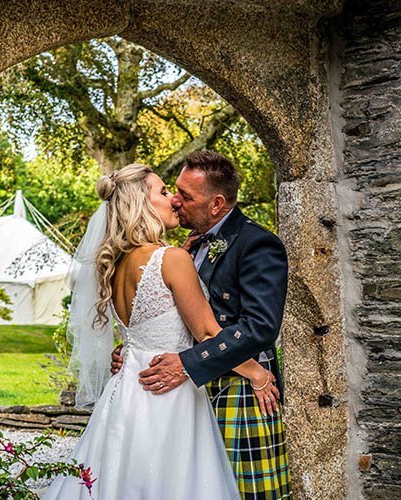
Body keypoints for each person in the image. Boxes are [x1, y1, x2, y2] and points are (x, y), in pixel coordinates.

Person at [41, 163, 279, 500]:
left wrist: (124, 353)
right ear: (142, 204)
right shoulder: (171, 259)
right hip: (168, 394)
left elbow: (139, 333)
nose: (174, 200)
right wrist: (257, 373)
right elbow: (208, 332)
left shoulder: (115, 263)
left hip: (126, 393)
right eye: (165, 192)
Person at [112, 150, 291, 499]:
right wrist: (132, 350)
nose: (176, 202)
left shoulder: (258, 244)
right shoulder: (179, 249)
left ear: (217, 204)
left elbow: (260, 327)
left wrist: (189, 363)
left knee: (241, 491)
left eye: (186, 196)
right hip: (181, 389)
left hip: (236, 386)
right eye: (172, 191)